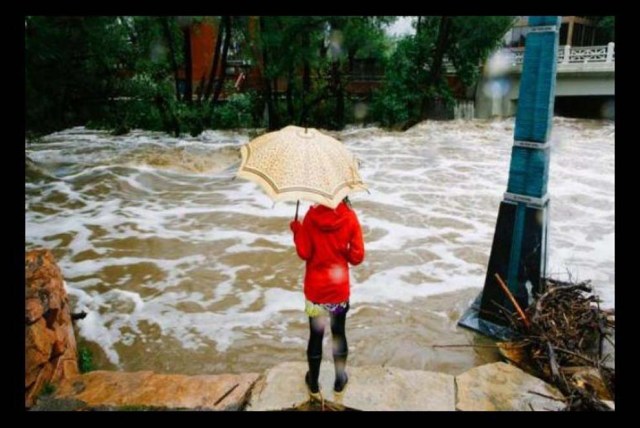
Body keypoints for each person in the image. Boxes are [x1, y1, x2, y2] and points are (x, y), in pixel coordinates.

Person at [289, 196, 365, 401]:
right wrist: (344, 251)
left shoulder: (311, 216)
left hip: (316, 293)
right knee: (339, 334)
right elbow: (357, 257)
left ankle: (313, 383)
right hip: (338, 292)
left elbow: (304, 252)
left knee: (316, 335)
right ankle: (339, 381)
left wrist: (297, 231)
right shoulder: (349, 217)